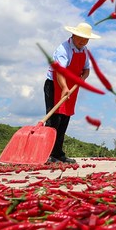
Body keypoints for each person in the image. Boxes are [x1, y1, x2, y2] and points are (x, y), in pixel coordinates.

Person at [44, 21, 101, 163]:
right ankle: (47, 154)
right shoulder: (63, 49)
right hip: (55, 85)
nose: (83, 41)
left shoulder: (84, 50)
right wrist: (64, 87)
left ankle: (58, 154)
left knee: (64, 120)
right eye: (80, 37)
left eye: (86, 39)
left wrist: (83, 78)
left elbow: (87, 69)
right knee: (53, 120)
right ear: (73, 35)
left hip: (71, 87)